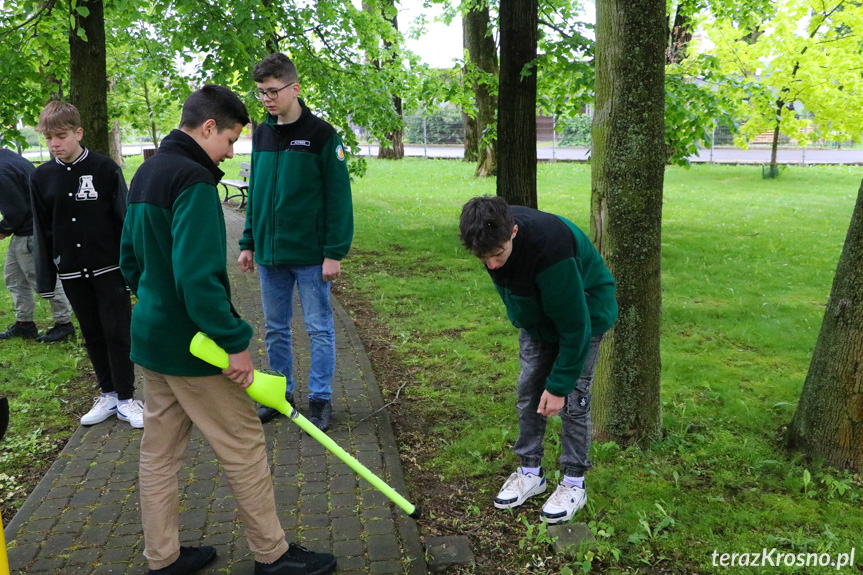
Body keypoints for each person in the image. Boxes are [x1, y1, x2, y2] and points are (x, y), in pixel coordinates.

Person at [120, 84, 337, 575]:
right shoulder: (193, 182)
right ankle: (273, 554)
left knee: (159, 454)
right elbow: (198, 280)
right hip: (197, 350)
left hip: (151, 341)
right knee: (243, 446)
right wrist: (234, 342)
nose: (231, 151)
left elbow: (129, 261)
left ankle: (164, 557)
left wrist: (154, 299)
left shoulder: (146, 172)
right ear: (208, 126)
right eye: (231, 140)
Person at [458, 195, 618, 524]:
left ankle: (574, 481)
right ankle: (530, 472)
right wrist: (528, 322)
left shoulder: (551, 250)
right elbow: (510, 287)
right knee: (529, 390)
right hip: (539, 317)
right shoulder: (488, 238)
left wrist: (558, 385)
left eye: (497, 255)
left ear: (513, 232)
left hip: (586, 311)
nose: (491, 265)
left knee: (574, 397)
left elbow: (576, 326)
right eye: (483, 259)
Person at [238, 53, 353, 431]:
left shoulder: (322, 135)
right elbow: (256, 191)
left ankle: (320, 400)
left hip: (310, 256)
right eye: (261, 93)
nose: (267, 99)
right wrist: (248, 241)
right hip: (270, 255)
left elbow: (338, 199)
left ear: (294, 88)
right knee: (275, 328)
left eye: (272, 91)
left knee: (319, 327)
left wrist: (334, 253)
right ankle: (280, 394)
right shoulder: (262, 132)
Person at [30, 101, 142, 428]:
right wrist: (45, 279)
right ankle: (107, 394)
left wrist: (131, 270)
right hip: (71, 272)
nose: (55, 144)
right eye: (49, 138)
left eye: (61, 135)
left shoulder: (105, 169)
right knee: (92, 333)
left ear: (78, 132)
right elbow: (42, 227)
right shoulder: (41, 177)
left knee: (117, 332)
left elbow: (126, 221)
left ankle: (126, 398)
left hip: (109, 269)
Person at [0, 147, 75, 342]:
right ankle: (25, 323)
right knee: (14, 278)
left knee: (43, 279)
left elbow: (16, 211)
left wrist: (3, 229)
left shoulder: (2, 169)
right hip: (24, 231)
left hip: (31, 233)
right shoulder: (9, 158)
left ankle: (64, 324)